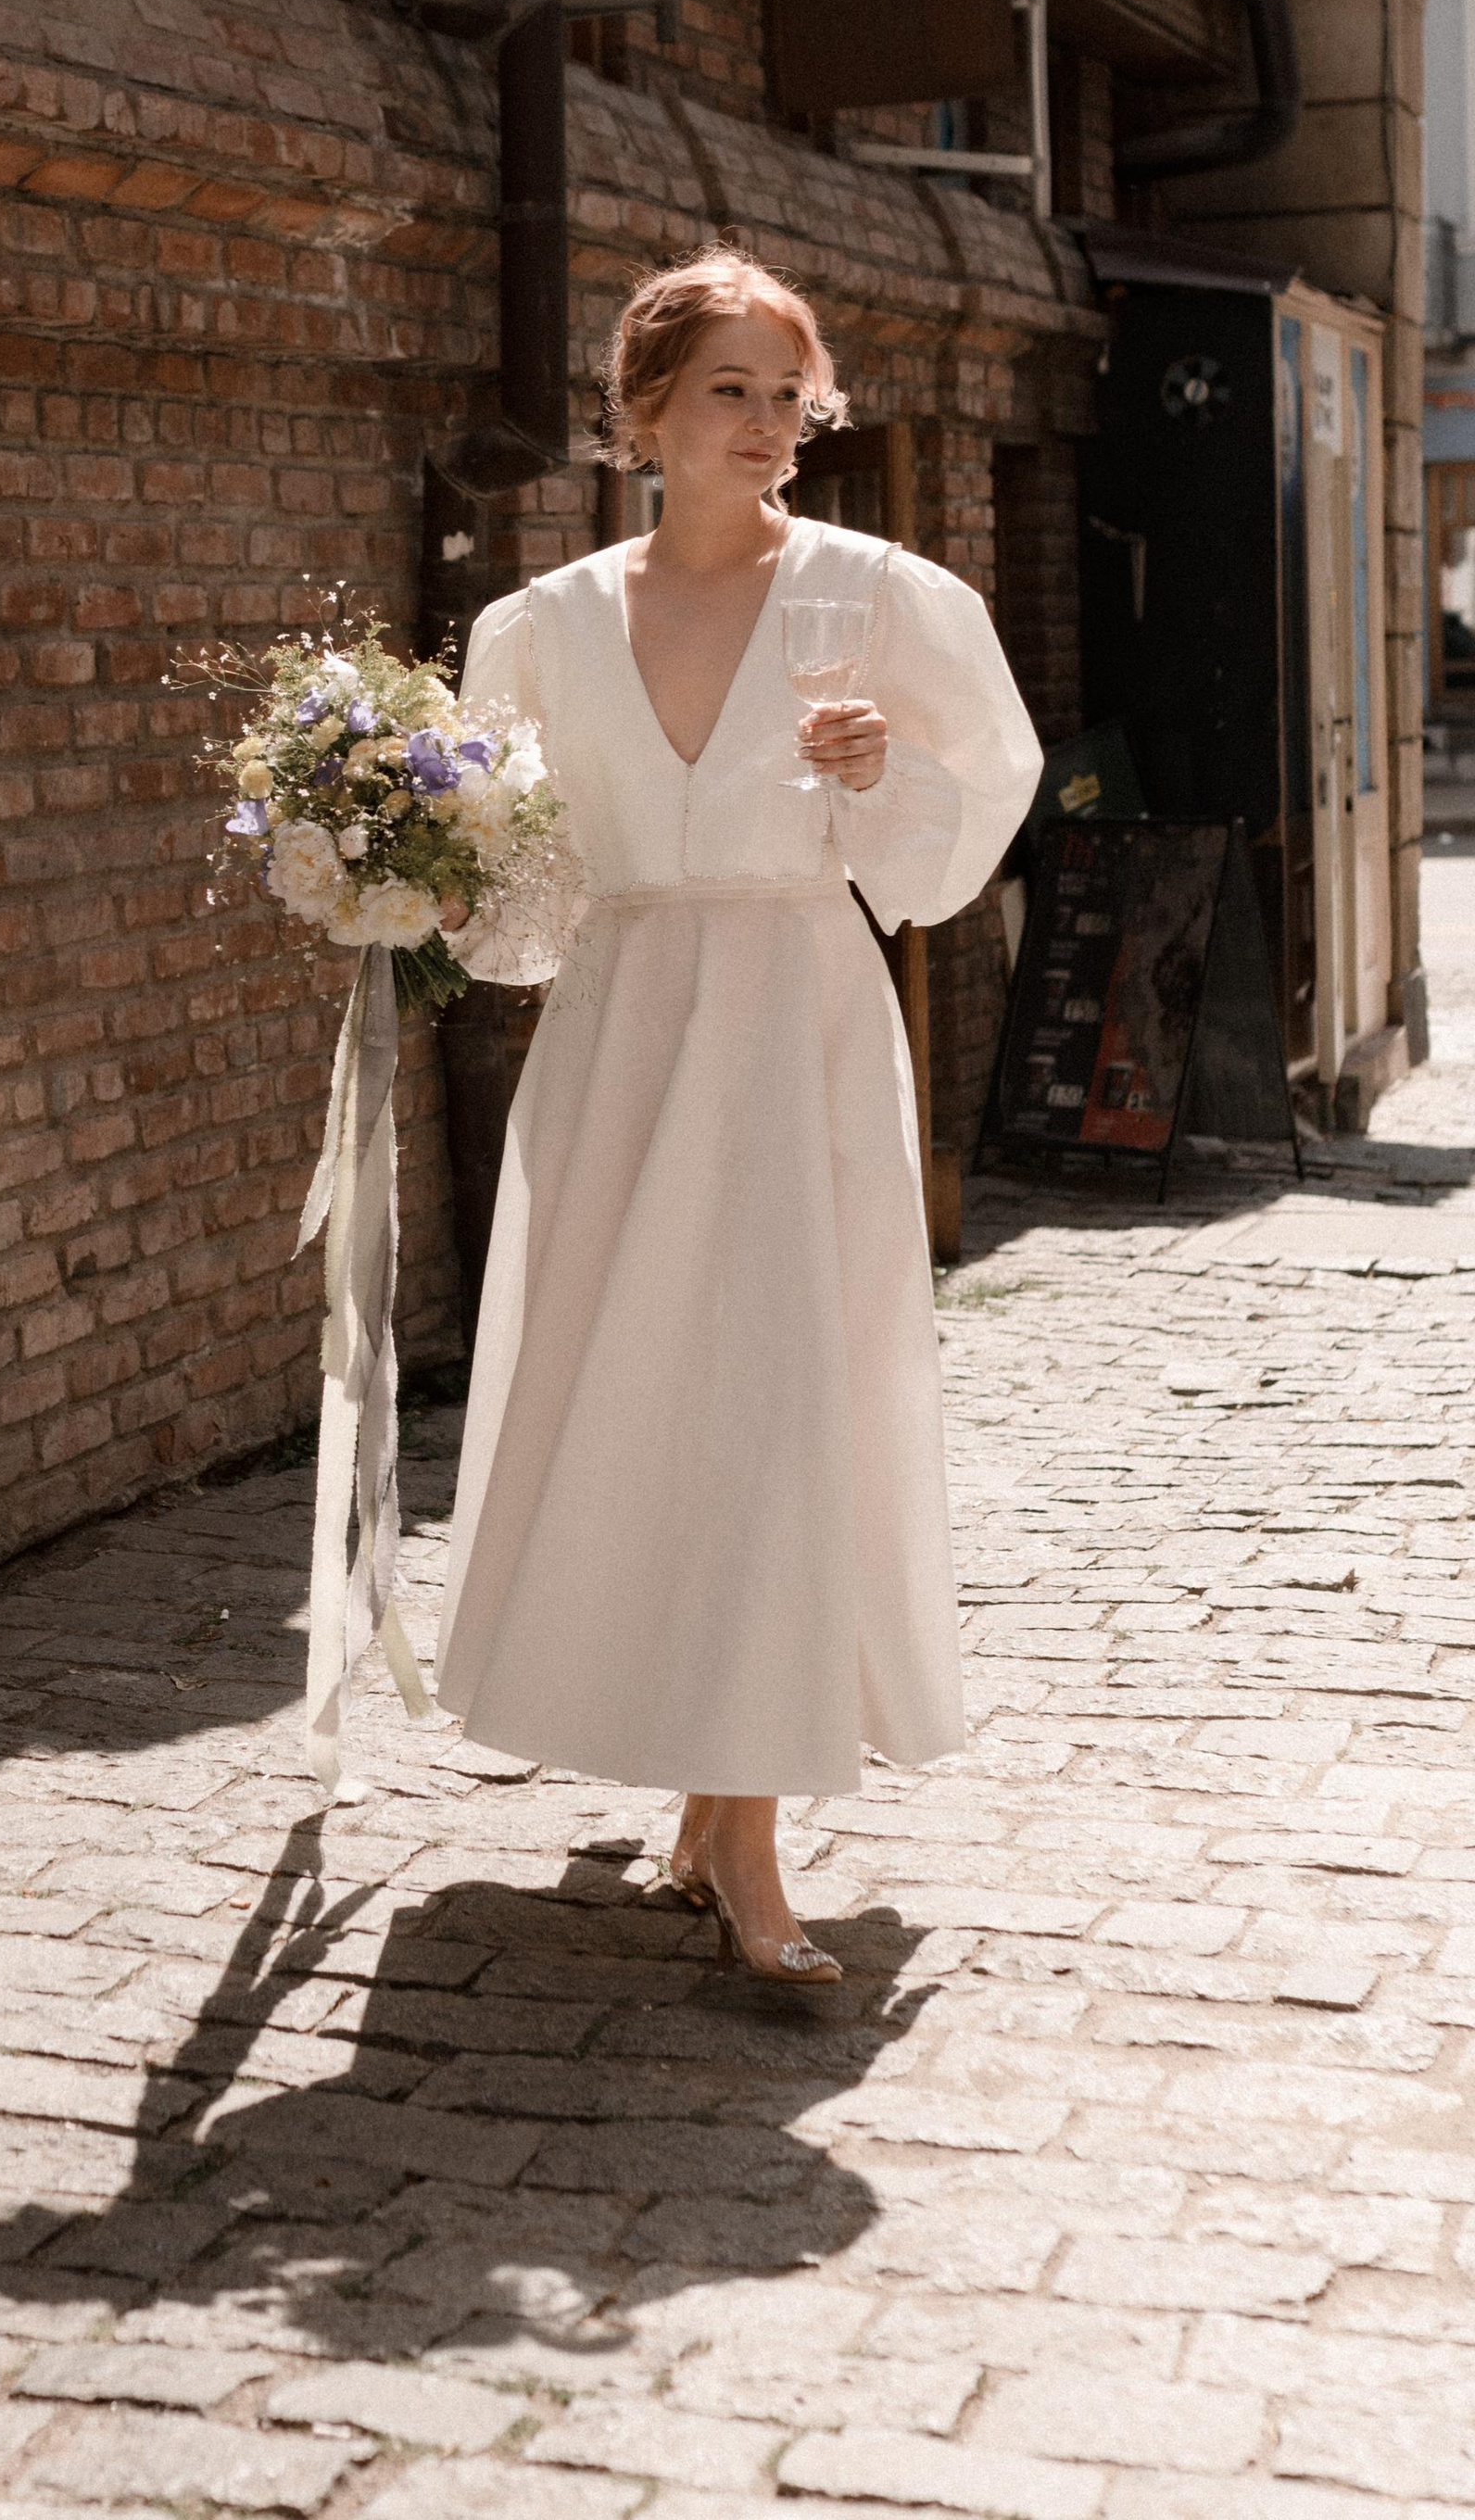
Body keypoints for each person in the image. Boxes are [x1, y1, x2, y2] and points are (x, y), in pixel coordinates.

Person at [434, 251, 1041, 1981]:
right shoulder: (535, 629)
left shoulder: (883, 598)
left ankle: (754, 1837)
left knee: (779, 1405)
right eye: (731, 392)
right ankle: (704, 1805)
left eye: (792, 396)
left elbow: (977, 805)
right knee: (640, 1397)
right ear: (643, 411)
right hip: (624, 1041)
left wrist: (880, 777)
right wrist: (397, 869)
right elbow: (510, 893)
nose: (771, 428)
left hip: (798, 1032)